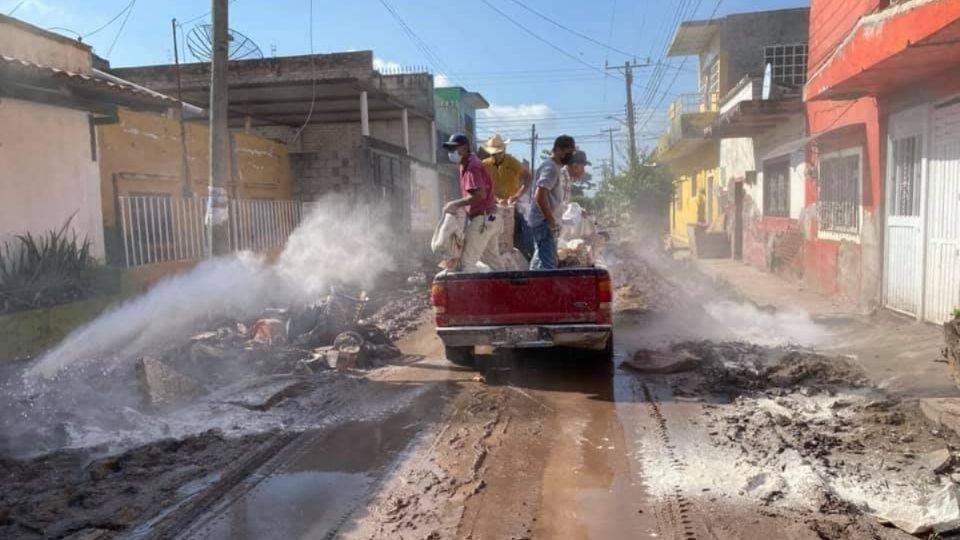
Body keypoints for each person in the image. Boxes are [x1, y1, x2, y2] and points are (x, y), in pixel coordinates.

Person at [441, 133, 502, 272]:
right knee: (494, 262)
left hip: (484, 219)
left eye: (454, 149)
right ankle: (505, 291)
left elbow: (480, 195)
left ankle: (467, 293)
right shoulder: (468, 163)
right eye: (450, 149)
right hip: (491, 218)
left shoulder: (472, 166)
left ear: (464, 148)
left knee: (466, 263)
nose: (451, 153)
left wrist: (455, 204)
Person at [526, 135, 576, 270]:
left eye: (572, 152)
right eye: (568, 152)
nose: (570, 155)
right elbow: (539, 196)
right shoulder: (551, 169)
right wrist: (552, 221)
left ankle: (532, 287)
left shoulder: (555, 168)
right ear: (557, 150)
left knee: (540, 260)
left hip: (542, 221)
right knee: (549, 265)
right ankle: (545, 289)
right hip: (544, 222)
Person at [481, 134, 534, 259]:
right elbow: (482, 186)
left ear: (503, 150)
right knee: (488, 230)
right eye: (492, 153)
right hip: (492, 205)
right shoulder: (484, 165)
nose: (495, 156)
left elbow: (528, 178)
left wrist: (517, 196)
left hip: (512, 205)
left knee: (522, 232)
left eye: (498, 153)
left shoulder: (513, 162)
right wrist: (495, 199)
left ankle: (525, 256)